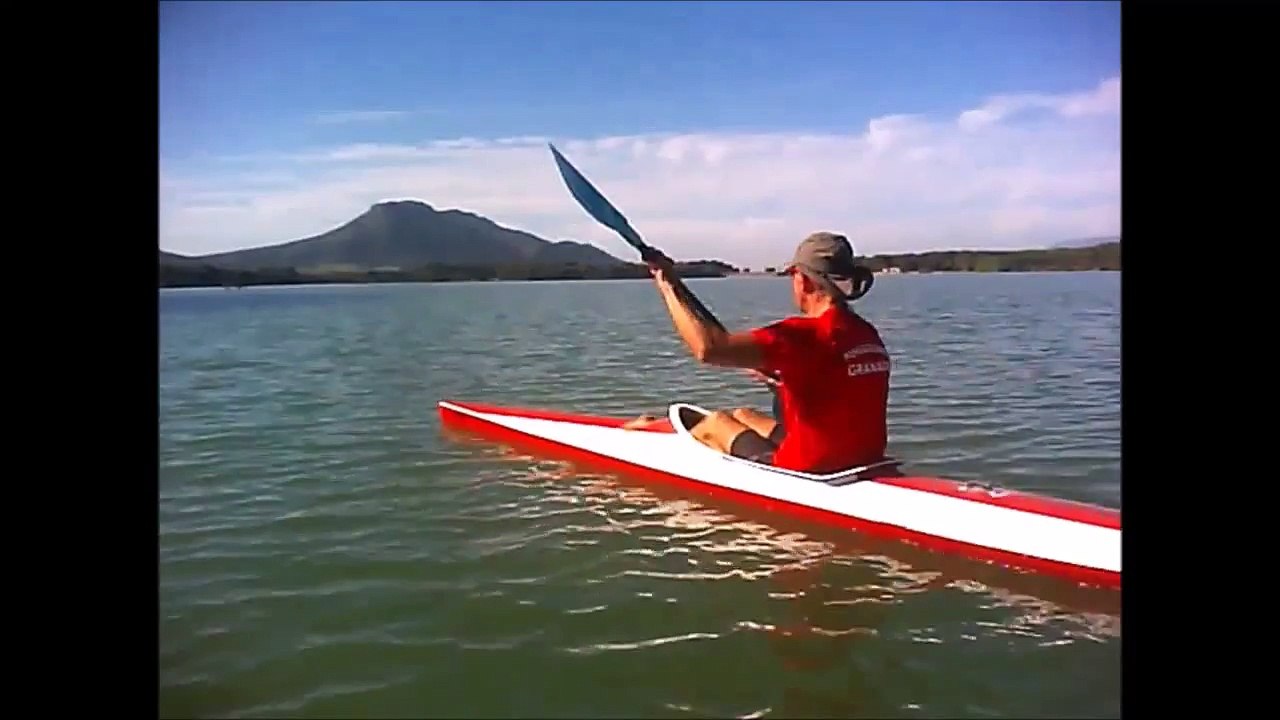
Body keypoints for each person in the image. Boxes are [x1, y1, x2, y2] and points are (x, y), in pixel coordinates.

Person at [624, 231, 892, 475]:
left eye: (793, 276)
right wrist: (783, 382)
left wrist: (667, 285)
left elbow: (709, 348)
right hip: (864, 458)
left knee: (716, 422)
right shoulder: (865, 333)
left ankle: (648, 434)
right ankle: (656, 426)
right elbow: (836, 380)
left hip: (809, 470)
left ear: (804, 281)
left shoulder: (802, 335)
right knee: (743, 415)